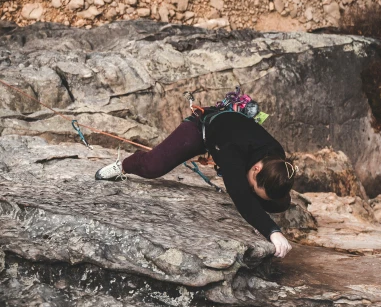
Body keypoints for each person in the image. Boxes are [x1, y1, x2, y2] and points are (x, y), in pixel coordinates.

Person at [95, 107, 295, 258]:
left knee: (279, 203)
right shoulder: (233, 152)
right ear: (257, 169)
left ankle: (260, 200)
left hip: (231, 134)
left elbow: (270, 193)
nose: (250, 188)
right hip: (203, 128)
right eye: (253, 185)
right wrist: (272, 231)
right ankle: (124, 165)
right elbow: (240, 195)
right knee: (153, 167)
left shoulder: (276, 157)